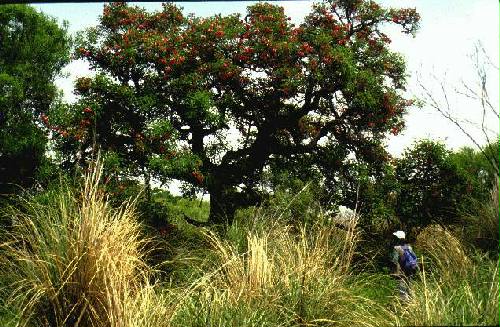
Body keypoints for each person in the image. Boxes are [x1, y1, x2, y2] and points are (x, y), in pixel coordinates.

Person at [390, 230, 418, 301]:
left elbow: (394, 260)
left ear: (398, 238)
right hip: (410, 268)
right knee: (409, 284)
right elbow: (414, 257)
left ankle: (404, 302)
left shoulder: (396, 248)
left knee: (401, 285)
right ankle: (412, 300)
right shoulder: (409, 247)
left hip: (401, 270)